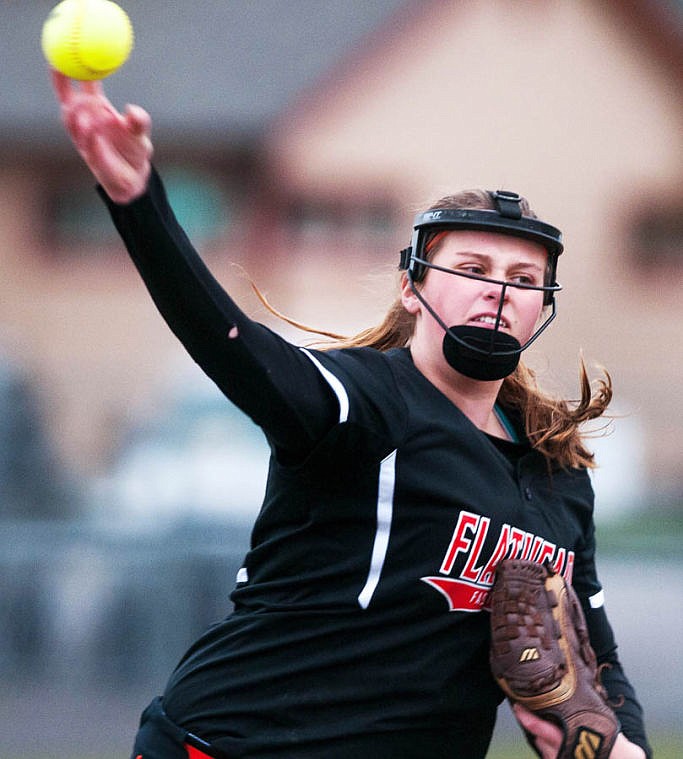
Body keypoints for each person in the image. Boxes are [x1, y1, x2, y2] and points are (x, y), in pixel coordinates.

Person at [50, 71, 651, 759]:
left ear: (540, 306)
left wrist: (625, 748)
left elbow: (598, 657)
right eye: (473, 268)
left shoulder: (555, 475)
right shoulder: (368, 404)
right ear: (410, 287)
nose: (497, 293)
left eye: (521, 280)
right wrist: (138, 204)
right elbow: (237, 351)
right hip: (240, 743)